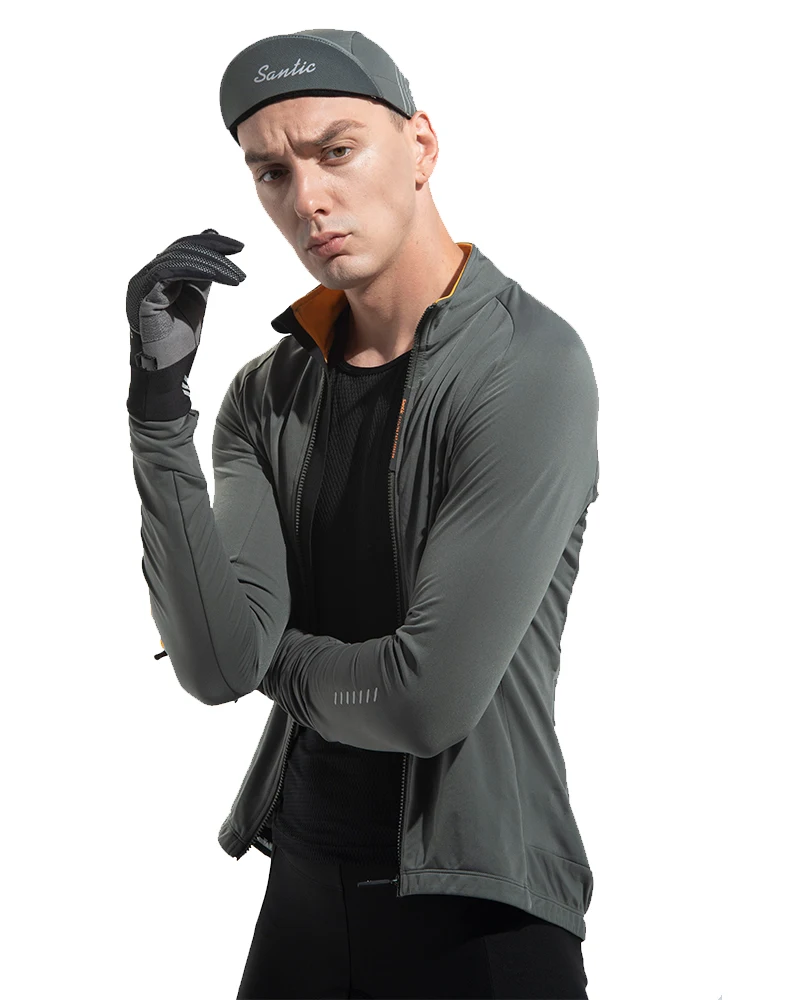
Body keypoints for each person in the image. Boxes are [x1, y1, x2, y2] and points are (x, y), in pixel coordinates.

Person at [126, 27, 599, 999]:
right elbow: (214, 667)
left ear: (421, 145)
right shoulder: (266, 394)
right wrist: (158, 411)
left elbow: (425, 700)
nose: (306, 199)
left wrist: (269, 653)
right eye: (271, 172)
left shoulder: (527, 367)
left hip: (479, 913)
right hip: (305, 886)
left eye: (335, 151)